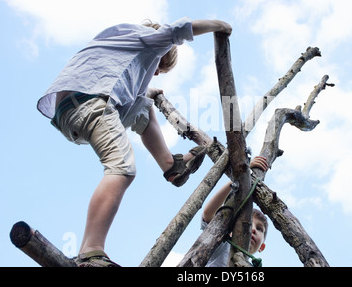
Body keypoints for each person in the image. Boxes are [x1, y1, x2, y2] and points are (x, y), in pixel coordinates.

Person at [37, 17, 232, 267]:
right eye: (160, 67)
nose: (157, 73)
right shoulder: (151, 40)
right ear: (161, 50)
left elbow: (125, 85)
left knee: (144, 107)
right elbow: (181, 29)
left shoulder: (121, 42)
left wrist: (149, 94)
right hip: (90, 104)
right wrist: (220, 26)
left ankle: (172, 166)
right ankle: (91, 250)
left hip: (71, 110)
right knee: (122, 169)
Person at [201, 156, 269, 267]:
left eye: (259, 229)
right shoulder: (222, 244)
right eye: (248, 222)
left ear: (262, 247)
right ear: (231, 231)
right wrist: (241, 174)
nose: (253, 229)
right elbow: (208, 214)